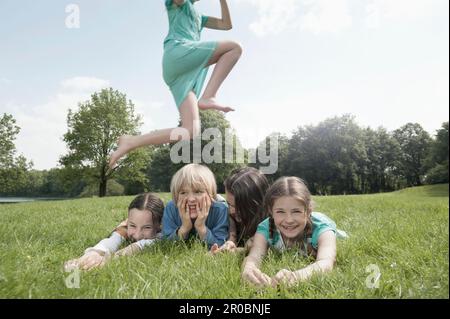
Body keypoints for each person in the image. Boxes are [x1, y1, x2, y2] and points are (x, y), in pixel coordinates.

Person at [109, 0, 242, 168]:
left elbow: (226, 24)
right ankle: (209, 96)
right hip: (179, 54)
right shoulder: (176, 4)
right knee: (234, 48)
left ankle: (131, 142)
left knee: (190, 130)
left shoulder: (199, 17)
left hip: (183, 73)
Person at [242, 177, 347, 287]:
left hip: (332, 236)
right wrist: (249, 269)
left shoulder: (322, 228)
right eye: (280, 212)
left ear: (308, 211)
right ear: (271, 212)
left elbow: (326, 261)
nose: (289, 220)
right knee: (250, 244)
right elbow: (254, 256)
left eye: (296, 211)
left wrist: (296, 276)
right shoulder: (266, 227)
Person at [64, 193, 164, 271]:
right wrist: (93, 253)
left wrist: (108, 259)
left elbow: (141, 245)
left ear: (159, 225)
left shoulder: (165, 231)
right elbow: (113, 240)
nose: (137, 235)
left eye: (147, 227)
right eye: (132, 225)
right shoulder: (125, 226)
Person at [162, 164, 229, 249]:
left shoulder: (220, 210)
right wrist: (184, 228)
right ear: (176, 196)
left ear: (210, 194)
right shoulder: (171, 208)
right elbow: (166, 244)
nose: (191, 199)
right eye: (183, 193)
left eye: (198, 192)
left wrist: (201, 227)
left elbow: (219, 246)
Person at [210, 167, 270, 254]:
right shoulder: (228, 214)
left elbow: (260, 246)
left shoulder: (270, 221)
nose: (231, 211)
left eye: (238, 207)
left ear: (256, 203)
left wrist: (239, 250)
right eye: (229, 204)